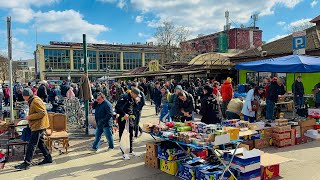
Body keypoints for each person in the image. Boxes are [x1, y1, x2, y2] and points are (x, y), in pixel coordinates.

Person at [14, 88, 52, 170]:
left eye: (24, 96)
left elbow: (42, 113)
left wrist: (29, 117)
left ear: (27, 96)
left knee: (32, 144)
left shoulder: (35, 101)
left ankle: (27, 163)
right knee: (40, 143)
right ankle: (48, 158)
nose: (23, 98)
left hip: (39, 125)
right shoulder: (33, 100)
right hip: (38, 125)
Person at [115, 88, 140, 160]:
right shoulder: (124, 97)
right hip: (123, 119)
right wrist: (123, 114)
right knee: (123, 136)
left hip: (130, 119)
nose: (137, 96)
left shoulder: (133, 99)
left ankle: (131, 151)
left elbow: (133, 108)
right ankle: (124, 153)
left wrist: (136, 103)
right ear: (132, 93)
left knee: (131, 134)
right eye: (136, 95)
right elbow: (117, 107)